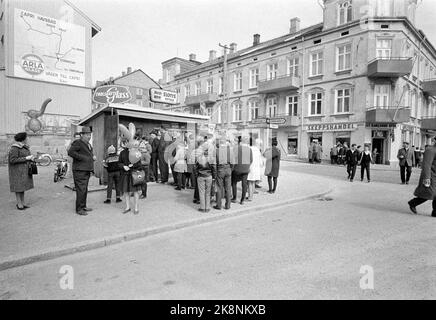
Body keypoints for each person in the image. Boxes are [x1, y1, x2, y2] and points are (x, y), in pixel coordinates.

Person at [67, 127, 96, 216]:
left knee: (84, 189)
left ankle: (83, 206)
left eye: (90, 135)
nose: (89, 136)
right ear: (82, 135)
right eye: (87, 135)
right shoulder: (78, 142)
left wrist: (91, 159)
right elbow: (71, 152)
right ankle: (79, 209)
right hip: (79, 170)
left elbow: (88, 155)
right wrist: (84, 158)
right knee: (81, 190)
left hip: (86, 170)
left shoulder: (88, 144)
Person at [408, 137, 436, 217]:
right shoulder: (430, 150)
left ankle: (435, 212)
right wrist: (427, 178)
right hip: (431, 175)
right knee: (430, 193)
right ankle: (413, 203)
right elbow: (426, 165)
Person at [8, 132, 35, 211]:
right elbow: (12, 160)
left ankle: (23, 203)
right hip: (17, 172)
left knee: (22, 187)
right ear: (23, 139)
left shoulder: (24, 147)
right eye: (27, 138)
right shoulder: (15, 148)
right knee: (18, 187)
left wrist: (31, 158)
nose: (28, 139)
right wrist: (26, 158)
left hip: (23, 171)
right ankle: (19, 203)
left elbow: (25, 156)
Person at [119, 140, 143, 215]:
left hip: (134, 174)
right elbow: (119, 163)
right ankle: (127, 207)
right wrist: (123, 166)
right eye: (125, 142)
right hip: (125, 174)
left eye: (128, 142)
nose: (127, 144)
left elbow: (140, 164)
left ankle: (136, 208)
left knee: (136, 192)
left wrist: (133, 165)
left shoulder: (136, 152)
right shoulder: (122, 152)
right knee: (126, 192)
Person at [195, 139, 217, 213]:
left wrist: (197, 175)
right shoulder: (211, 158)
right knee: (208, 193)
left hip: (201, 176)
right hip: (209, 176)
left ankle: (202, 207)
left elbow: (195, 167)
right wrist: (214, 177)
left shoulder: (199, 157)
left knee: (201, 192)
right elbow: (214, 168)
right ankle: (207, 208)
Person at [231, 135, 253, 205]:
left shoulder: (236, 148)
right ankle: (242, 200)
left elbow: (233, 158)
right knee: (244, 184)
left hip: (237, 169)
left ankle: (234, 198)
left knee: (234, 183)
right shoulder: (249, 149)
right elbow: (251, 160)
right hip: (246, 169)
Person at [214, 135, 233, 210]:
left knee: (219, 188)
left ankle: (219, 205)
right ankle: (228, 205)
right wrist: (230, 169)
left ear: (219, 143)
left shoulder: (217, 151)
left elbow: (214, 163)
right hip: (228, 169)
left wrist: (215, 173)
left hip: (220, 169)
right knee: (228, 188)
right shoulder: (230, 150)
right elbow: (233, 162)